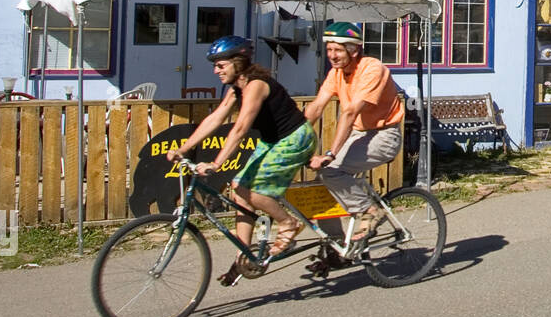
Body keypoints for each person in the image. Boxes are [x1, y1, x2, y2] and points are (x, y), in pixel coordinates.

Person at [167, 36, 316, 284]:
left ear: (238, 62)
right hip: (272, 141)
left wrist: (216, 164)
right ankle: (244, 255)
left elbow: (240, 128)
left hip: (295, 139)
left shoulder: (256, 85)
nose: (216, 70)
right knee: (239, 192)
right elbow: (215, 119)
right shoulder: (237, 87)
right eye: (215, 65)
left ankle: (288, 223)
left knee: (252, 191)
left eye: (221, 65)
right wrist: (184, 148)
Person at [303, 22, 404, 264]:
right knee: (324, 179)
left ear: (354, 50)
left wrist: (330, 152)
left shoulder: (372, 69)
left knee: (331, 170)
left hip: (384, 134)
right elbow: (317, 106)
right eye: (329, 50)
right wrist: (290, 137)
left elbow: (349, 112)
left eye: (337, 50)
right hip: (360, 134)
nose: (332, 56)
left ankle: (371, 211)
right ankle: (338, 246)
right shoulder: (336, 73)